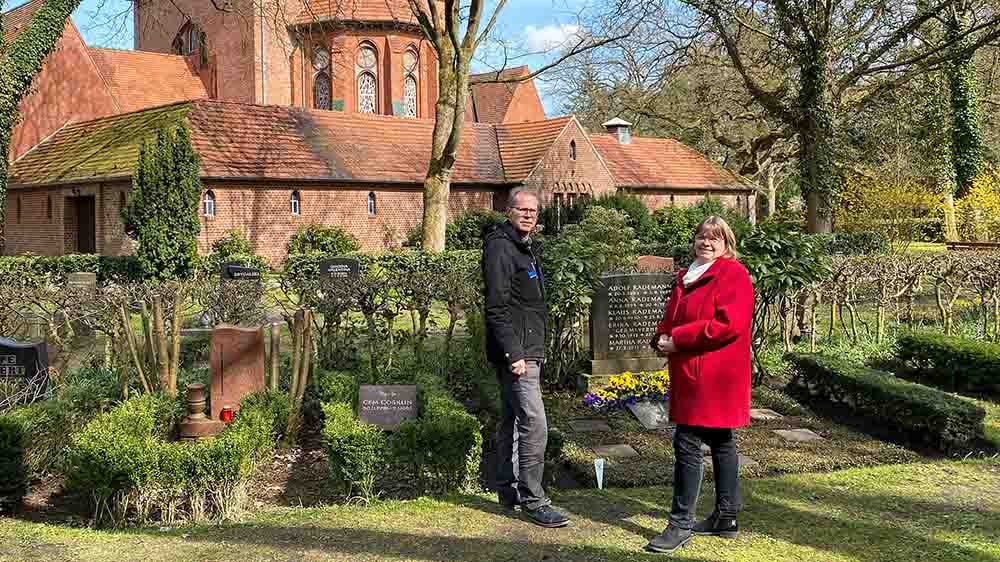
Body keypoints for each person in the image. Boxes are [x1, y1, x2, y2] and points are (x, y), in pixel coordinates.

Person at [645, 215, 754, 554]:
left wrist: (677, 339)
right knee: (721, 441)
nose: (707, 243)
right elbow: (673, 314)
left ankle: (680, 524)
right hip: (693, 371)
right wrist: (661, 336)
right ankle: (726, 517)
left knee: (688, 443)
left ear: (726, 244)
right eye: (702, 237)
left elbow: (727, 324)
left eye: (715, 238)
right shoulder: (687, 274)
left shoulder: (732, 274)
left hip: (714, 375)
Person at [481, 187, 569, 529]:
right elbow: (497, 307)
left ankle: (508, 491)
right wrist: (514, 353)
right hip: (517, 353)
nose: (529, 215)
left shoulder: (522, 247)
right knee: (535, 424)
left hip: (526, 347)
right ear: (508, 210)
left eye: (533, 210)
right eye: (522, 210)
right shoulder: (502, 248)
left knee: (512, 420)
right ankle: (534, 500)